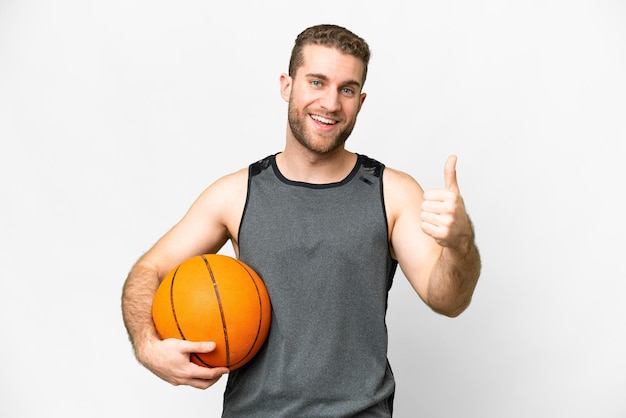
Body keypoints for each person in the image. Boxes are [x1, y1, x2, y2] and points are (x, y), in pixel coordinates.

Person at [121, 23, 481, 417]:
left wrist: (461, 245)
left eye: (346, 89)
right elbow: (149, 269)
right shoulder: (236, 193)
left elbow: (447, 299)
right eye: (317, 82)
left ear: (360, 101)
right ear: (286, 85)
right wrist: (147, 345)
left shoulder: (392, 193)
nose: (330, 103)